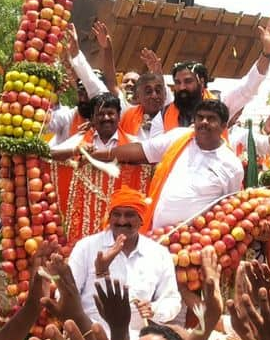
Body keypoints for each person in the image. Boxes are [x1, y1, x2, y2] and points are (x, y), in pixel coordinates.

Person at [93, 100, 243, 230]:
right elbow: (140, 150)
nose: (204, 122)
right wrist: (96, 155)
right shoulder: (179, 137)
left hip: (196, 243)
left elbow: (228, 210)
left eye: (211, 119)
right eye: (200, 117)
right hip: (158, 234)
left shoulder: (231, 165)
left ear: (224, 126)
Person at [67, 186, 181, 340]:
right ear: (110, 217)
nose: (122, 221)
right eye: (116, 214)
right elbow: (66, 295)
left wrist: (154, 309)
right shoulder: (87, 247)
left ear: (142, 219)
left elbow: (172, 300)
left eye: (129, 215)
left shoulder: (158, 253)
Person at [149, 14, 270, 137]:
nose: (182, 87)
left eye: (188, 81)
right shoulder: (163, 116)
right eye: (177, 82)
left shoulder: (221, 104)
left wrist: (267, 52)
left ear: (201, 82)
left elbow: (249, 87)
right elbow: (155, 152)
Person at [51, 93, 137, 160]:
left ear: (118, 116)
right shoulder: (80, 140)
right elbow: (50, 154)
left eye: (110, 113)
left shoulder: (132, 143)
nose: (106, 118)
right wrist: (75, 151)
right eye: (100, 114)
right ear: (92, 118)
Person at [118, 73, 167, 141]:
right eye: (148, 92)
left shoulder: (175, 115)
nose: (154, 96)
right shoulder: (129, 115)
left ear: (165, 94)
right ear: (138, 96)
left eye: (158, 91)